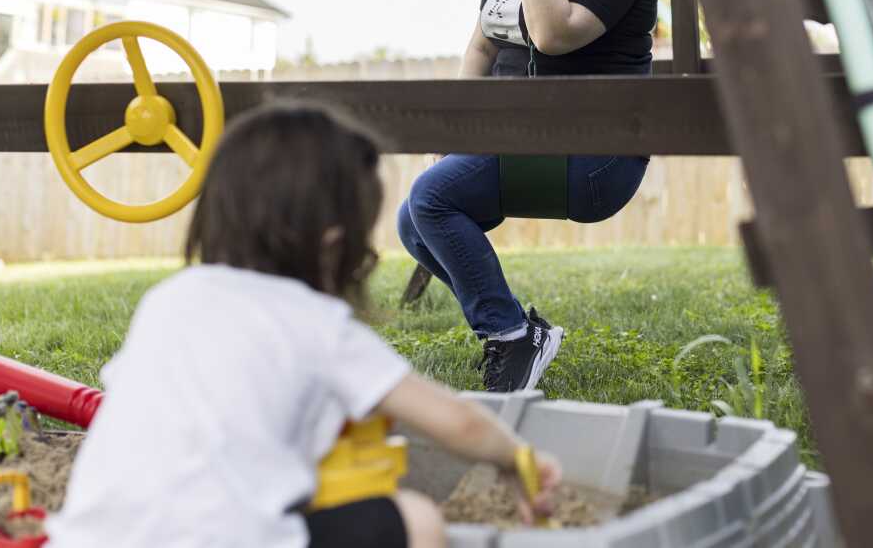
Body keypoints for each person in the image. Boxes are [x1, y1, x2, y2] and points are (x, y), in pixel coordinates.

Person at [46, 102, 560, 548]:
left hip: (86, 537)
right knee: (418, 519)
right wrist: (515, 459)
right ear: (336, 241)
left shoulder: (168, 299)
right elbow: (459, 423)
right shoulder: (317, 324)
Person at [397, 0, 659, 393]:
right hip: (527, 142)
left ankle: (511, 338)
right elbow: (481, 45)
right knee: (414, 220)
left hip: (594, 158)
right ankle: (516, 330)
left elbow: (552, 32)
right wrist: (455, 137)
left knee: (431, 201)